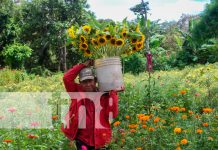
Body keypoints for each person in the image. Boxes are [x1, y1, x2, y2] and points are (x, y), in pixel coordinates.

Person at [61, 60, 119, 150]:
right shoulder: (76, 92)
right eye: (84, 82)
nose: (88, 84)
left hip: (101, 139)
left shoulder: (104, 94)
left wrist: (113, 92)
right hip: (82, 140)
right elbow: (66, 78)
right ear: (80, 83)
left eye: (90, 81)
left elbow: (113, 114)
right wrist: (82, 65)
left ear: (95, 80)